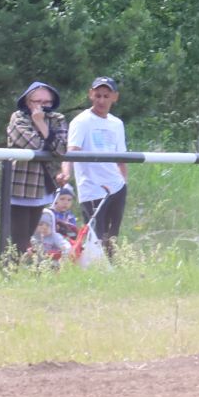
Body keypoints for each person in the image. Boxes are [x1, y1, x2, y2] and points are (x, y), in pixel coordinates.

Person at [1, 81, 68, 259]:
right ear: (27, 101)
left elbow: (61, 150)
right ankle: (10, 274)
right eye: (36, 102)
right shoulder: (18, 117)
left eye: (46, 103)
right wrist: (48, 142)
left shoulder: (57, 119)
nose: (41, 106)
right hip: (21, 187)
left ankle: (18, 273)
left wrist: (41, 124)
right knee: (18, 240)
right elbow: (33, 146)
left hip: (43, 187)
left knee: (27, 238)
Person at [67, 77, 130, 260]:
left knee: (112, 235)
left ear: (114, 97)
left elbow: (121, 157)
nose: (101, 100)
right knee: (96, 234)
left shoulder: (116, 124)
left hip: (116, 186)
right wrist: (65, 172)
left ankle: (111, 267)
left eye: (106, 96)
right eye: (98, 95)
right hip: (92, 188)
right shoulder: (81, 121)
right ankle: (95, 268)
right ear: (90, 95)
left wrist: (124, 182)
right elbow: (71, 151)